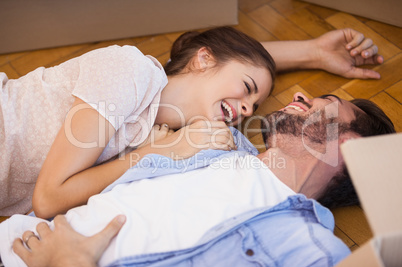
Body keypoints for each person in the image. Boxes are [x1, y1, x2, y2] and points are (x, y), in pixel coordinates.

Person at [0, 26, 383, 218]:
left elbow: (227, 66)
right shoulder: (129, 71)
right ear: (202, 59)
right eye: (248, 89)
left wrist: (314, 51)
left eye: (255, 104)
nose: (248, 110)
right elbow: (49, 200)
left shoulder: (165, 127)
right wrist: (160, 150)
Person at [1, 92, 395, 267]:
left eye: (324, 104)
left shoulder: (310, 250)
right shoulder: (213, 140)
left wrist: (66, 262)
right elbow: (195, 69)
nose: (300, 93)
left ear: (346, 145)